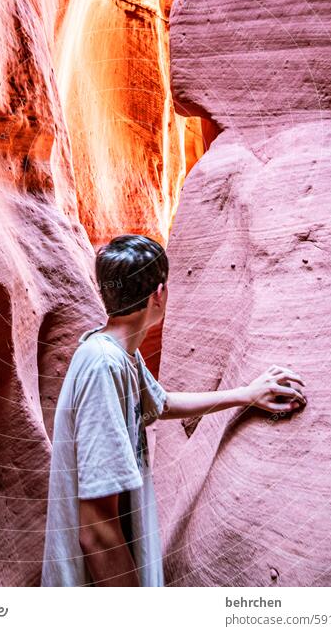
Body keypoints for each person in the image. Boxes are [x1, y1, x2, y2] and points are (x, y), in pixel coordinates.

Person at [41, 234, 306, 587]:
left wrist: (246, 394)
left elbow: (160, 403)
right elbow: (96, 530)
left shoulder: (118, 355)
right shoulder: (103, 365)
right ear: (159, 293)